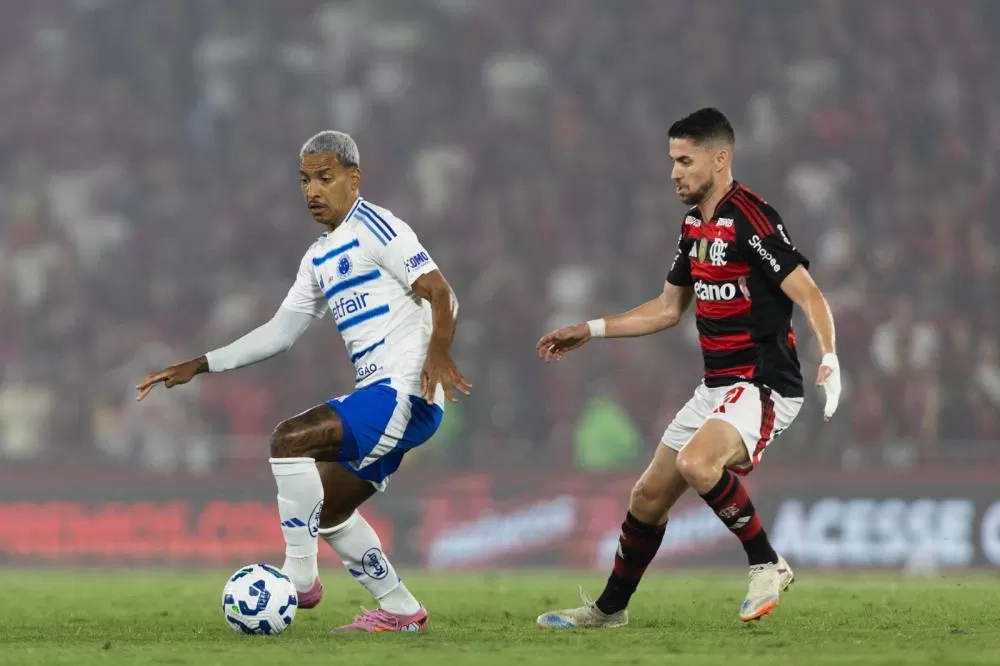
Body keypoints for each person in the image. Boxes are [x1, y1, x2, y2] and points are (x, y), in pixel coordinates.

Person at [135, 130, 471, 633]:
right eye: (305, 180)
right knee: (331, 512)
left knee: (288, 440)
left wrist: (438, 352)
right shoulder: (318, 257)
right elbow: (280, 332)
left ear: (354, 180)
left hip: (404, 392)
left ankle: (300, 579)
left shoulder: (379, 228)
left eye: (325, 178)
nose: (313, 190)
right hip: (381, 396)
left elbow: (442, 292)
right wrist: (201, 363)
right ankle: (402, 611)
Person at [535, 108, 841, 627]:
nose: (674, 172)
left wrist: (830, 356)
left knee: (697, 464)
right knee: (647, 497)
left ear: (719, 159)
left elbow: (808, 293)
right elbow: (666, 309)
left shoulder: (752, 218)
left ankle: (767, 563)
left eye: (684, 160)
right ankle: (609, 611)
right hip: (718, 386)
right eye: (672, 161)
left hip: (763, 384)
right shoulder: (694, 225)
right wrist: (590, 328)